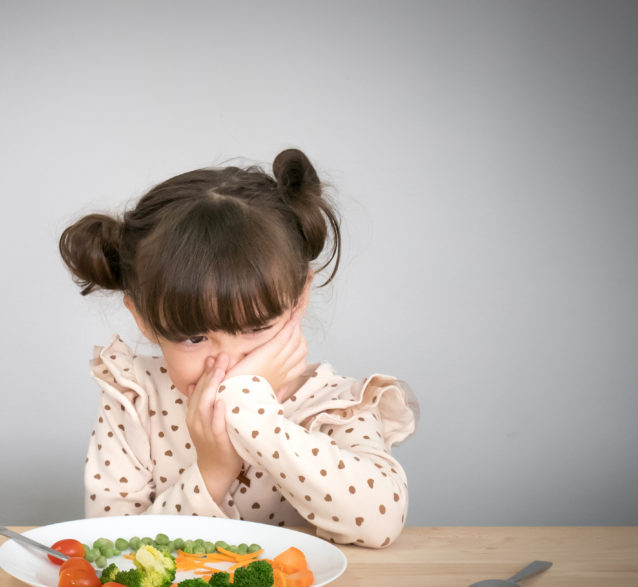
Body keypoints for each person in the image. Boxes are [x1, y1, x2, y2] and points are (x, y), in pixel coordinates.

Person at [58, 149, 417, 548]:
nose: (228, 365)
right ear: (143, 319)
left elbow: (378, 523)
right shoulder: (134, 400)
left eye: (256, 329)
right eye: (194, 338)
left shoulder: (334, 405)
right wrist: (213, 470)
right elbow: (116, 549)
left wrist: (256, 418)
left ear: (299, 299)